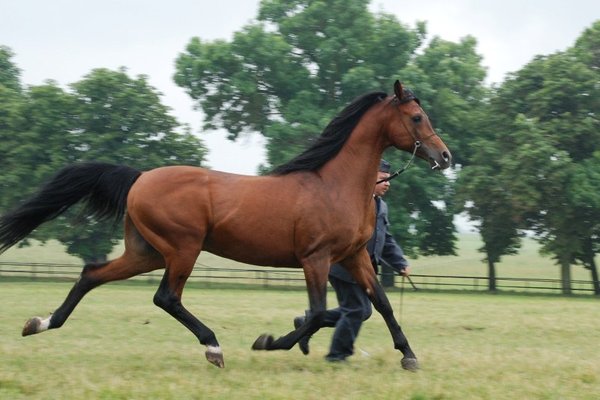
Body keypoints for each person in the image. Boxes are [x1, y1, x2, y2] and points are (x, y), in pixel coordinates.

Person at [294, 159, 410, 362]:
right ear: (370, 177)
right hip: (343, 267)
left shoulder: (380, 206)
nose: (389, 183)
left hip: (364, 269)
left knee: (363, 311)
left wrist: (400, 262)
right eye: (384, 179)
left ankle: (307, 322)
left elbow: (386, 238)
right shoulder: (352, 204)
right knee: (356, 310)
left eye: (389, 179)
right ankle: (337, 356)